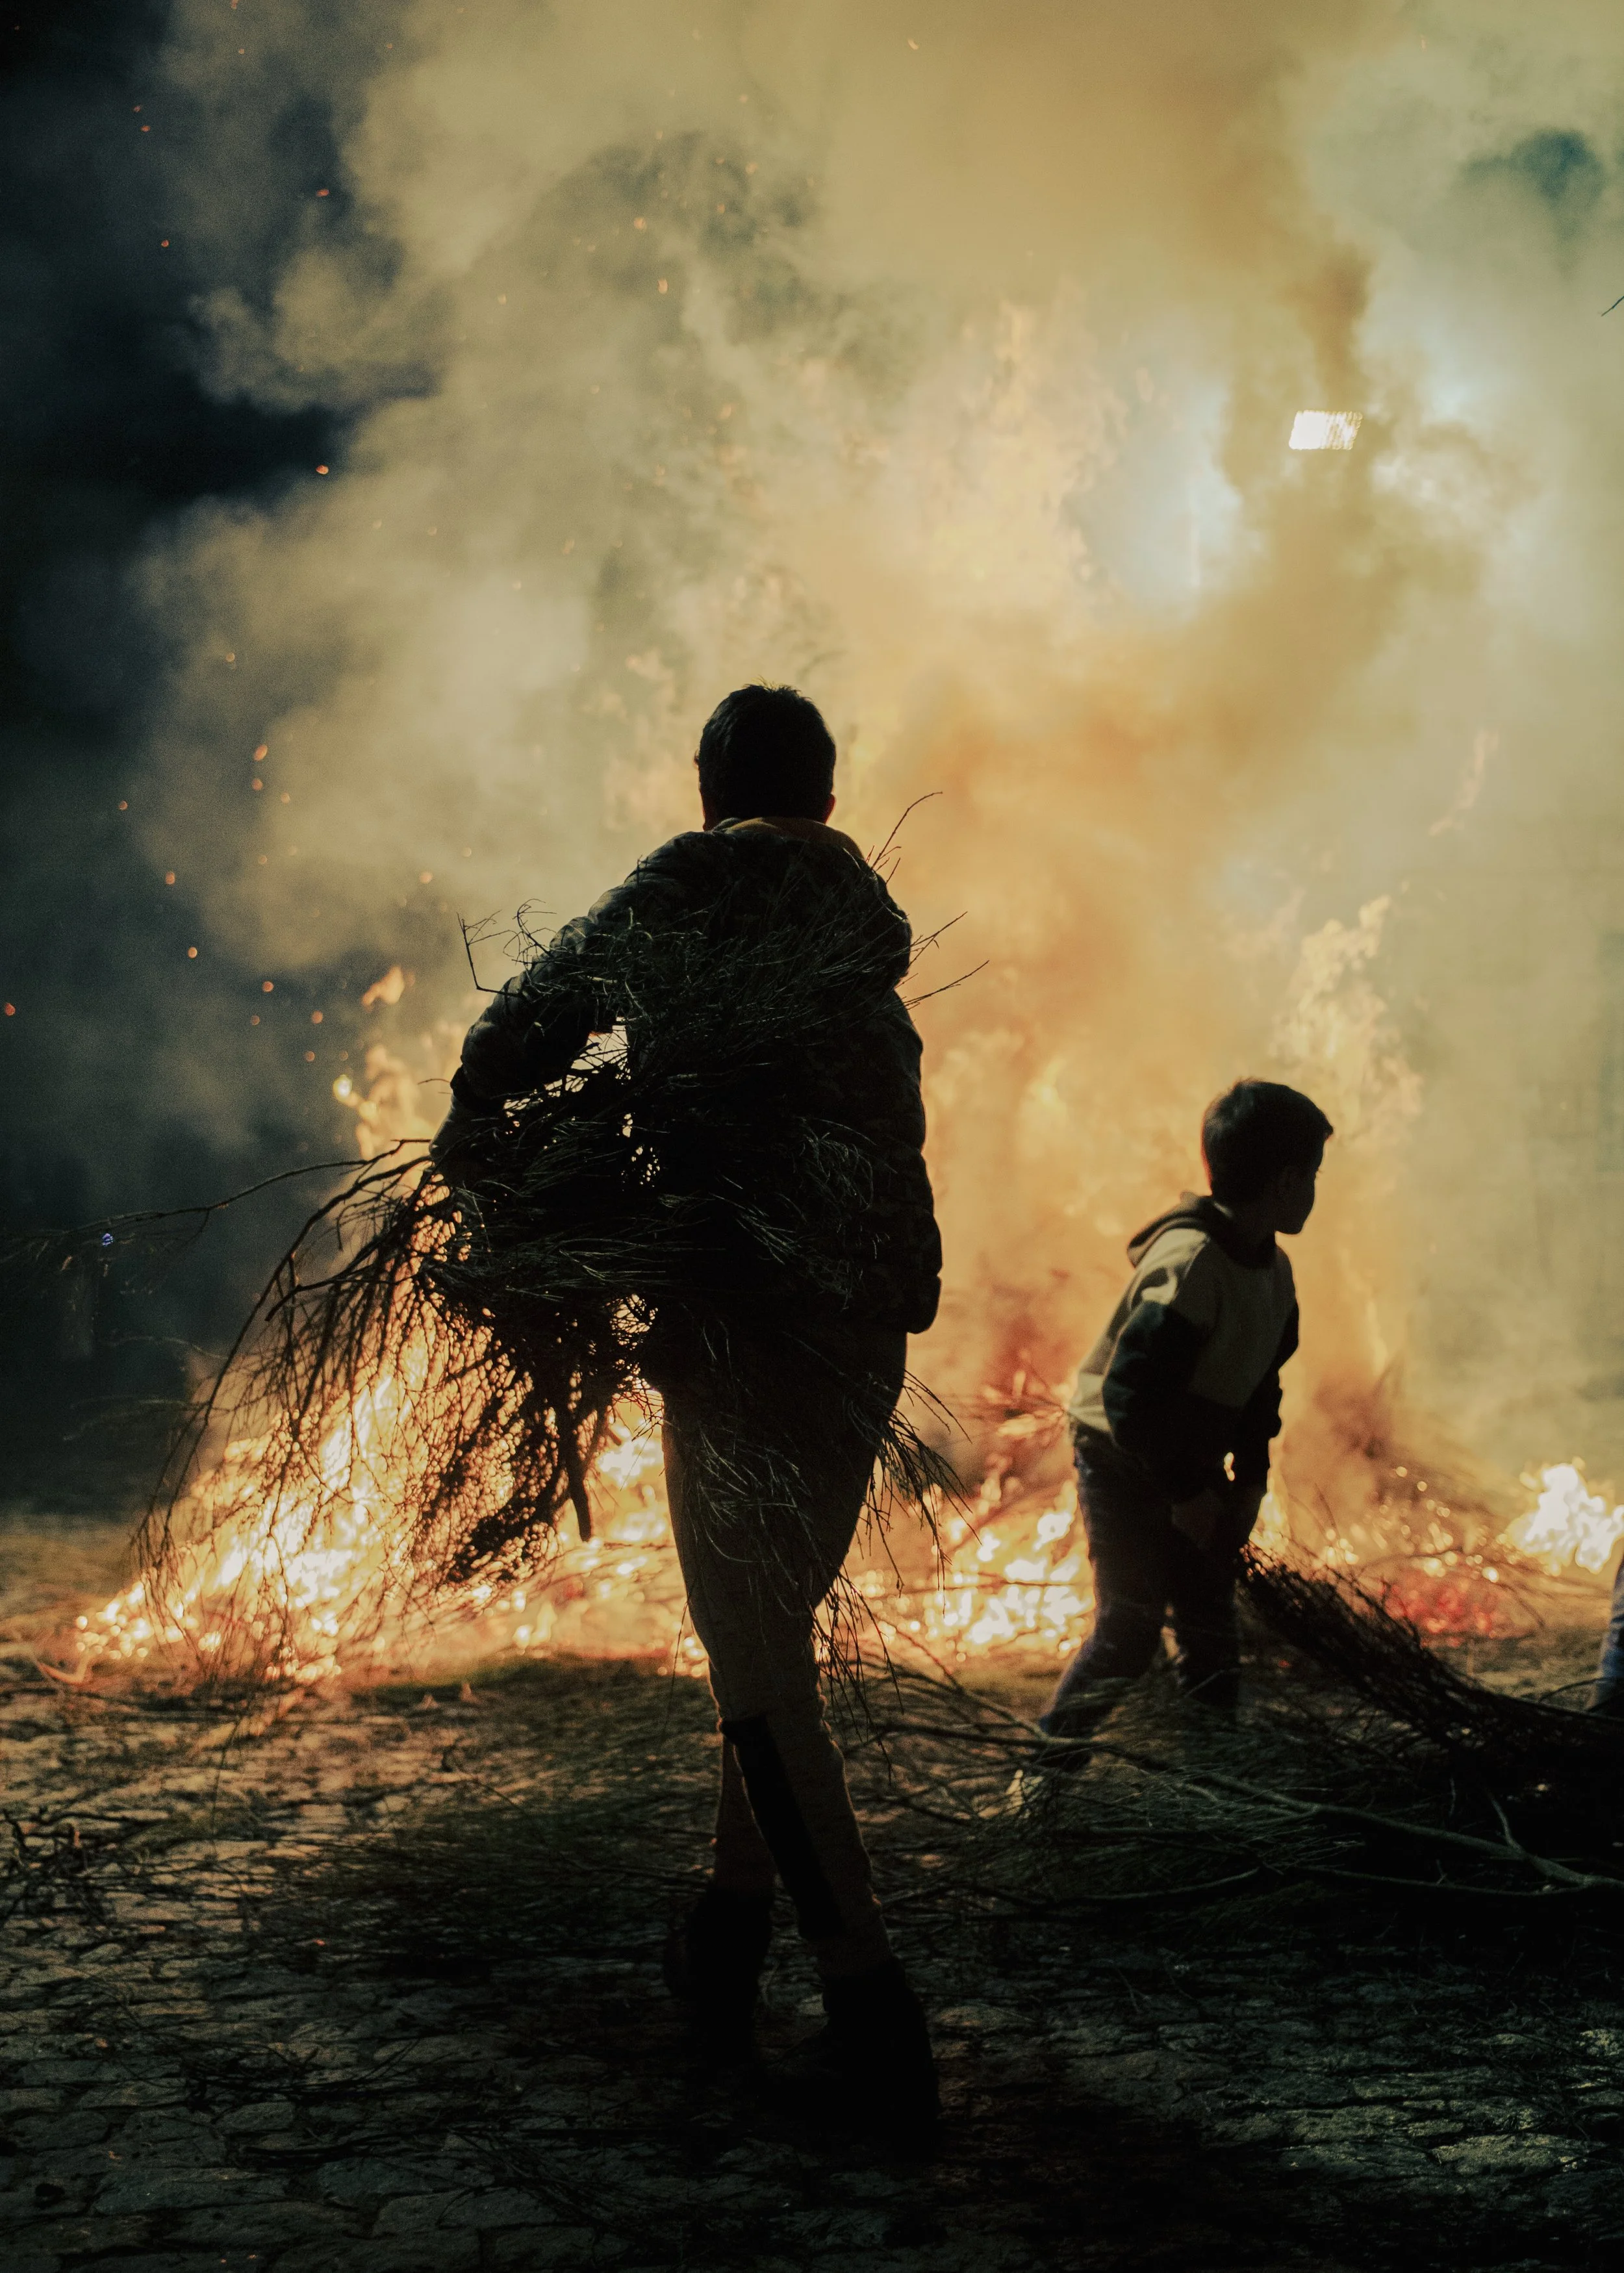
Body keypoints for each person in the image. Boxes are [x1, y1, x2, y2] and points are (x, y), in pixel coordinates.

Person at [433, 684, 943, 2136]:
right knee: (768, 1641)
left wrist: (484, 1125)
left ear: (710, 787)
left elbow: (530, 1019)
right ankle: (728, 1926)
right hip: (863, 1320)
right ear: (833, 797)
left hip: (739, 1314)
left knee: (755, 1645)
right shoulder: (859, 923)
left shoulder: (696, 876)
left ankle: (869, 2006)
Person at [1035, 1080, 1332, 1759]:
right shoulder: (1192, 1266)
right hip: (1120, 1458)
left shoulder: (1273, 1276)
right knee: (1128, 1631)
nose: (1316, 1190)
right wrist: (1187, 1495)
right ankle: (1042, 1778)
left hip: (1185, 1463)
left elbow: (1261, 1390)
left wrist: (1250, 1479)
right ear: (1285, 1181)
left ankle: (1208, 1780)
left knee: (1210, 1625)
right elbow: (1129, 1400)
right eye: (1312, 1175)